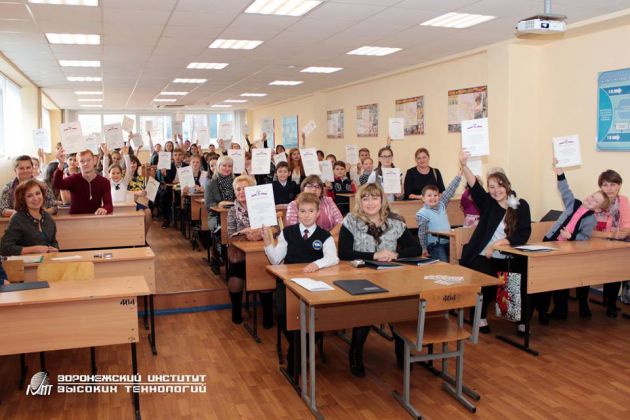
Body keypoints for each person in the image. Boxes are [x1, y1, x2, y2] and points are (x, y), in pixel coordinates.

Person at [338, 183, 422, 377]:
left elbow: (415, 248)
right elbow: (344, 252)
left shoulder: (395, 221)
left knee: (398, 306)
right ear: (359, 201)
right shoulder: (351, 220)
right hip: (359, 276)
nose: (370, 203)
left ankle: (401, 350)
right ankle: (355, 351)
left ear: (382, 200)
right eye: (365, 198)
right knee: (367, 309)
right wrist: (374, 255)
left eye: (375, 198)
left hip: (389, 275)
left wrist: (395, 254)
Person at [263, 192, 340, 376]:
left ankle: (296, 354)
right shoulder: (288, 233)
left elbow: (333, 258)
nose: (306, 215)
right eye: (303, 211)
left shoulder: (325, 236)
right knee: (284, 314)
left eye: (311, 211)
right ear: (297, 212)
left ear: (318, 213)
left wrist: (317, 264)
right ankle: (299, 348)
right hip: (288, 283)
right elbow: (276, 260)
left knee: (318, 318)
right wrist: (267, 243)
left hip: (316, 284)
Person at [458, 150, 531, 334]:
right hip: (482, 255)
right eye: (491, 187)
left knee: (523, 279)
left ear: (507, 186)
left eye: (499, 186)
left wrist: (499, 243)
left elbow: (524, 233)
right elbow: (475, 186)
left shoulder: (520, 205)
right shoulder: (488, 203)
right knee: (488, 280)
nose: (496, 190)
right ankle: (479, 316)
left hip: (507, 255)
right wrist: (464, 165)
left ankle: (521, 319)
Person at [542, 160, 610, 320]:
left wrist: (571, 237)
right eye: (592, 196)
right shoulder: (573, 204)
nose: (590, 199)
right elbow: (565, 190)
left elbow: (584, 238)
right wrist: (560, 172)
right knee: (545, 277)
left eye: (595, 201)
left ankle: (560, 310)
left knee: (560, 282)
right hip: (549, 242)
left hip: (565, 251)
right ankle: (543, 309)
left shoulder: (591, 219)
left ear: (598, 208)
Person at [226, 175, 273, 326]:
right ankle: (236, 310)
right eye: (238, 189)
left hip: (261, 248)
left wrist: (260, 233)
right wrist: (246, 232)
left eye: (245, 189)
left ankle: (267, 313)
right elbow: (230, 235)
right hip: (240, 251)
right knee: (235, 274)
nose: (241, 192)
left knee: (264, 272)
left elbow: (276, 229)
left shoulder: (263, 205)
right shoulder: (232, 211)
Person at [594, 169, 630, 314]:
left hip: (616, 243)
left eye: (613, 184)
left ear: (619, 185)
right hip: (596, 242)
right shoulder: (595, 200)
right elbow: (588, 230)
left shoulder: (623, 200)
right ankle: (584, 304)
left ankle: (611, 304)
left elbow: (626, 221)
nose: (609, 189)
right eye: (605, 185)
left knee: (617, 267)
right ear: (600, 187)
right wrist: (611, 234)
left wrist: (625, 231)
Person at [0, 179, 59, 256]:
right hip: (24, 262)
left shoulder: (48, 218)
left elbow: (53, 242)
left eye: (38, 193)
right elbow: (5, 248)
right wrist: (34, 249)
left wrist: (55, 249)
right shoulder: (17, 219)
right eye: (29, 196)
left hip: (47, 260)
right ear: (23, 199)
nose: (35, 198)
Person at [416, 170, 462, 262]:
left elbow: (450, 190)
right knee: (443, 264)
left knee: (455, 262)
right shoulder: (423, 213)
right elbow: (422, 233)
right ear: (423, 198)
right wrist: (424, 248)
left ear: (439, 196)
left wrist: (458, 176)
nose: (433, 197)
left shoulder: (442, 204)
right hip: (436, 245)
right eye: (429, 195)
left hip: (449, 242)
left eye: (435, 195)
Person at [53, 148, 113, 215]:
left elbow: (109, 205)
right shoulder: (73, 179)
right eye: (82, 161)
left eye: (88, 160)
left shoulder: (104, 182)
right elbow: (57, 184)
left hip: (95, 218)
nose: (86, 163)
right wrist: (61, 163)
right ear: (77, 164)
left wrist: (105, 209)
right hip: (76, 219)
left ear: (94, 161)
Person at [205, 156, 235, 273]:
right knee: (220, 230)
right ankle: (216, 258)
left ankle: (234, 259)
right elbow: (208, 205)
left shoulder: (236, 182)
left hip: (235, 215)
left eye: (229, 166)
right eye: (224, 166)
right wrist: (219, 204)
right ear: (218, 167)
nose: (227, 168)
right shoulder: (211, 183)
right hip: (216, 216)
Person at [156, 147, 187, 228]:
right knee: (163, 196)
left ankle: (185, 218)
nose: (177, 157)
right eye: (175, 155)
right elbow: (168, 181)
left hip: (184, 187)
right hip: (171, 187)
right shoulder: (169, 166)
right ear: (173, 156)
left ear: (183, 156)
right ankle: (166, 219)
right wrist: (165, 174)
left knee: (186, 198)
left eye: (179, 155)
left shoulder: (186, 166)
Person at [126, 154, 152, 235]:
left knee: (148, 212)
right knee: (141, 213)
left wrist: (146, 192)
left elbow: (142, 194)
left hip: (137, 202)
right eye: (130, 163)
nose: (132, 165)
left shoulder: (140, 178)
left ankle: (143, 237)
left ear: (137, 164)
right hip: (126, 202)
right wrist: (137, 193)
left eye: (134, 163)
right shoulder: (123, 176)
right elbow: (123, 192)